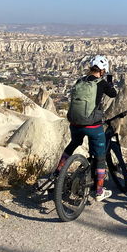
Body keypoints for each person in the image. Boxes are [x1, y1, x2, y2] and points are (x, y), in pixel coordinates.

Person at [51, 55, 117, 202]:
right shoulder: (102, 83)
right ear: (102, 70)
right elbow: (113, 94)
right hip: (93, 126)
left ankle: (58, 171)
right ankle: (99, 191)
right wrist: (110, 83)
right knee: (100, 158)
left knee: (73, 144)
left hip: (75, 124)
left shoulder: (80, 81)